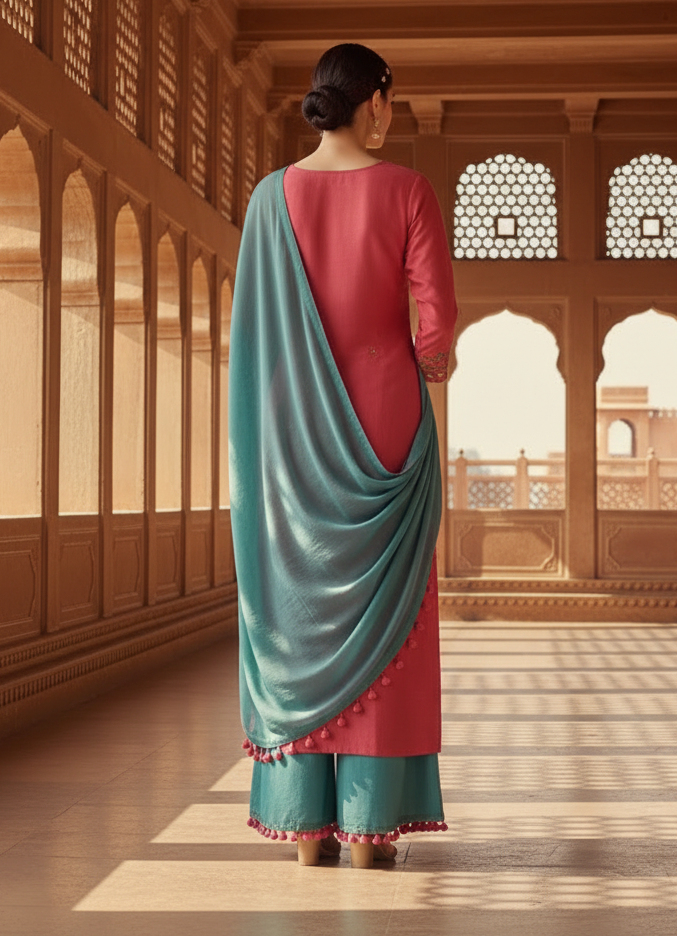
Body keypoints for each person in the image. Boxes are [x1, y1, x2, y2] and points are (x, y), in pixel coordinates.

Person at [229, 43, 458, 869]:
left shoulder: (267, 200)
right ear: (378, 102)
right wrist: (427, 366)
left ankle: (306, 825)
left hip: (291, 433)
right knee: (388, 616)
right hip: (387, 425)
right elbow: (435, 325)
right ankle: (371, 829)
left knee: (299, 606)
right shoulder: (408, 190)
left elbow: (252, 338)